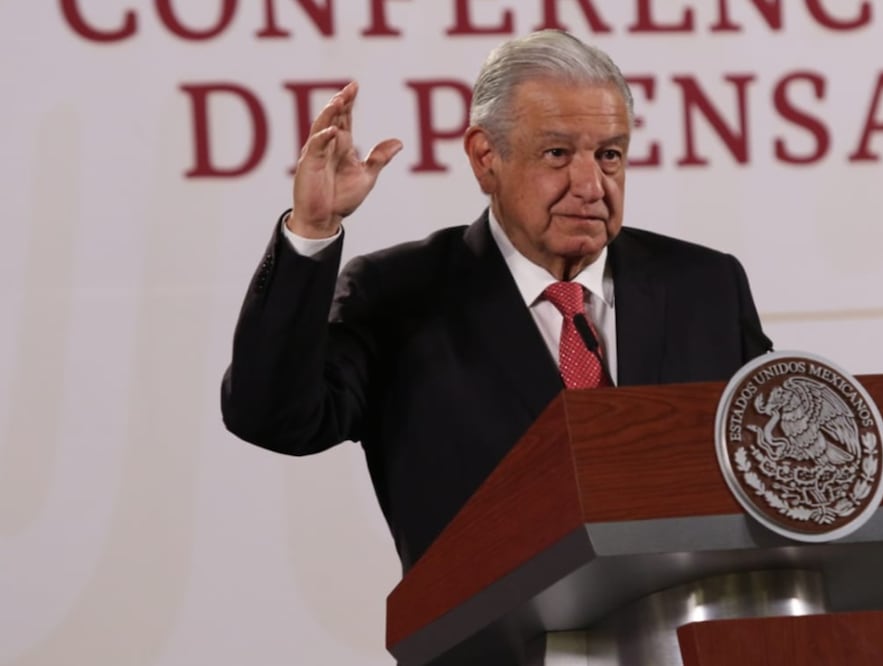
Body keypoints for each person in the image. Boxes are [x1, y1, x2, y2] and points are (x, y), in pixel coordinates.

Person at [221, 30, 772, 572]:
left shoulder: (706, 287)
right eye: (557, 153)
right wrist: (313, 229)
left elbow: (778, 471)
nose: (590, 185)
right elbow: (274, 419)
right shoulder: (398, 293)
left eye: (609, 155)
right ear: (486, 157)